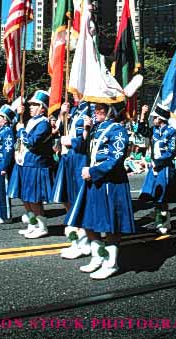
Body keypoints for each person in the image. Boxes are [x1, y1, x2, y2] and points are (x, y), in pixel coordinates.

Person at [65, 103, 135, 280]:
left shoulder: (118, 129)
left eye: (101, 110)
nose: (97, 113)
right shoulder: (95, 128)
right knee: (88, 221)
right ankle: (98, 257)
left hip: (110, 182)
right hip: (92, 180)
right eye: (96, 110)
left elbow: (116, 159)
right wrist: (86, 130)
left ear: (111, 111)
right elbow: (83, 149)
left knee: (111, 224)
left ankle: (111, 263)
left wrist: (93, 172)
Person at [52, 99, 94, 260]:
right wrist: (62, 114)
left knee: (78, 201)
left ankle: (83, 242)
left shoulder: (90, 110)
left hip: (79, 160)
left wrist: (72, 141)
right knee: (67, 199)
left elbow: (88, 139)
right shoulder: (75, 110)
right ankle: (76, 237)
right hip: (67, 159)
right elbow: (60, 131)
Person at [138, 104, 176, 234]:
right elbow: (142, 131)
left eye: (155, 117)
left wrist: (158, 162)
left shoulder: (171, 132)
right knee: (155, 195)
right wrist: (142, 114)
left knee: (163, 197)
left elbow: (172, 152)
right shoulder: (154, 130)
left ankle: (165, 222)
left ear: (162, 118)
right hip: (154, 167)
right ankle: (159, 221)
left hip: (164, 168)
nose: (154, 119)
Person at [15, 90, 54, 239]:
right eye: (30, 104)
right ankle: (33, 224)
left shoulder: (43, 123)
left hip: (36, 164)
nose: (31, 107)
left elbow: (32, 142)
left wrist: (21, 131)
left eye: (35, 105)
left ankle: (42, 226)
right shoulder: (31, 121)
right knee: (26, 197)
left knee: (34, 198)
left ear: (43, 108)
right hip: (26, 163)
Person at [0, 105, 15, 225]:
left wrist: (5, 166)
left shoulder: (7, 131)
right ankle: (0, 214)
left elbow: (8, 149)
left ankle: (6, 216)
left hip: (2, 164)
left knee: (4, 191)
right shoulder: (0, 132)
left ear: (5, 120)